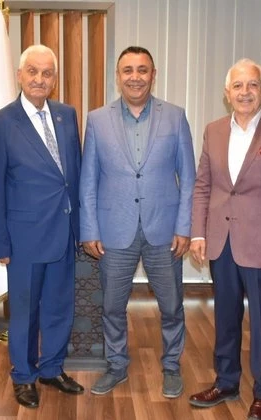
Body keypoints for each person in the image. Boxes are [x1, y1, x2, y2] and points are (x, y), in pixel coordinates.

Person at [187, 58, 261, 420]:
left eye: (252, 85)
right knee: (225, 317)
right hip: (221, 242)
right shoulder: (213, 131)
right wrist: (198, 232)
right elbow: (203, 186)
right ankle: (226, 381)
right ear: (227, 93)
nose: (245, 92)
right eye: (238, 86)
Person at [79, 46, 196, 398]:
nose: (135, 77)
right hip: (114, 230)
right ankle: (116, 365)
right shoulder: (97, 120)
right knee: (113, 306)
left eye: (142, 70)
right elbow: (88, 180)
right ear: (118, 76)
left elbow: (188, 178)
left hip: (165, 231)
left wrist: (184, 226)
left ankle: (172, 366)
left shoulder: (175, 117)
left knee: (172, 306)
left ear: (153, 75)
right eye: (128, 70)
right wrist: (89, 229)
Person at [0, 44, 83, 409]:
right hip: (24, 237)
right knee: (25, 313)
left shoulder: (66, 115)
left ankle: (52, 368)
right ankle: (24, 375)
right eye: (33, 71)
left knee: (59, 307)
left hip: (65, 231)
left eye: (47, 73)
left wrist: (81, 228)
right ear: (19, 75)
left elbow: (74, 175)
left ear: (54, 79)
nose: (40, 79)